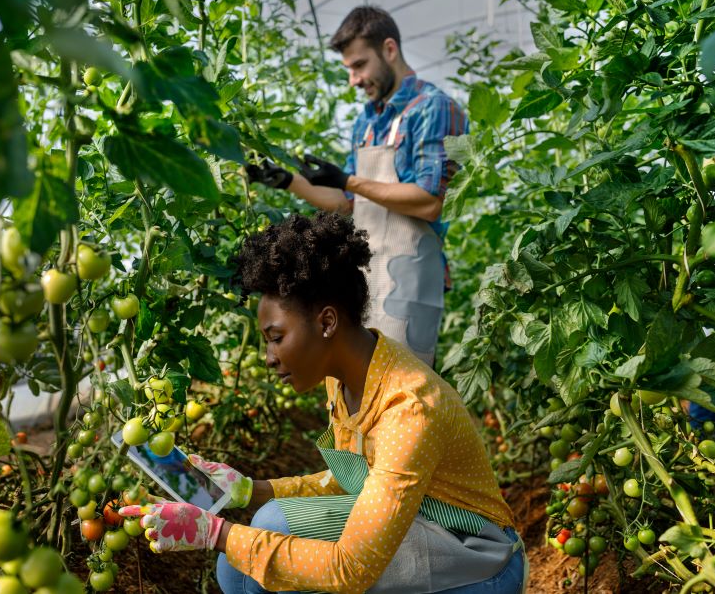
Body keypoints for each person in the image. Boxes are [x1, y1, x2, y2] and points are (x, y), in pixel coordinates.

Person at [121, 213, 525, 594]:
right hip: (421, 522)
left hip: (480, 559)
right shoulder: (345, 381)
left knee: (264, 536)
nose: (269, 356)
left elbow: (349, 568)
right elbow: (358, 481)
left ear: (327, 322)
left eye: (276, 337)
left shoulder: (410, 406)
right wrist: (250, 490)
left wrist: (216, 533)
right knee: (239, 566)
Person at [246, 6, 467, 366]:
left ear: (390, 50)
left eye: (359, 65)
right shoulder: (366, 121)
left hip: (410, 275)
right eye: (349, 68)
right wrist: (289, 181)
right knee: (357, 381)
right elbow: (347, 202)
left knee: (399, 380)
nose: (353, 79)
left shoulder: (433, 108)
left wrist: (349, 180)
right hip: (364, 274)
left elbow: (429, 202)